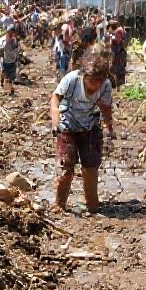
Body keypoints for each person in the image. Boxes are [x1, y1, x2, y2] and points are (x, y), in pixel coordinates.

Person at [50, 47, 115, 213]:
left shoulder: (105, 86)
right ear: (83, 76)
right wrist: (55, 122)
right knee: (66, 167)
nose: (95, 85)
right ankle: (59, 205)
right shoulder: (72, 79)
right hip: (67, 126)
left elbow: (106, 108)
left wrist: (109, 127)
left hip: (89, 126)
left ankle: (92, 206)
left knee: (91, 167)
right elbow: (55, 99)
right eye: (91, 81)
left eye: (99, 81)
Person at [0, 24, 21, 96]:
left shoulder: (15, 40)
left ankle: (10, 89)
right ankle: (2, 83)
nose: (13, 34)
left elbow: (17, 49)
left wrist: (17, 57)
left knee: (11, 77)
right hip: (5, 61)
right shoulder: (3, 40)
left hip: (12, 60)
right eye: (11, 32)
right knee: (4, 74)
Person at [107, 20, 127, 87]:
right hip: (122, 54)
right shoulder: (120, 32)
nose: (107, 29)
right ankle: (119, 87)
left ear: (111, 27)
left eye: (108, 27)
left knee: (116, 70)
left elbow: (113, 50)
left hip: (117, 55)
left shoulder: (114, 37)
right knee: (120, 70)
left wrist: (111, 60)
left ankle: (117, 86)